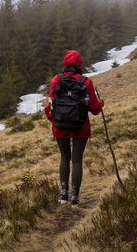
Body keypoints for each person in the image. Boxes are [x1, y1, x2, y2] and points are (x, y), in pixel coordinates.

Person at [44, 50, 104, 207]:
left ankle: (63, 195)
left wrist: (54, 121)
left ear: (65, 63)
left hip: (60, 126)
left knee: (64, 158)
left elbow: (51, 105)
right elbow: (95, 110)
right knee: (77, 160)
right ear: (80, 63)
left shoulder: (55, 80)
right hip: (80, 126)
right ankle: (74, 198)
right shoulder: (86, 81)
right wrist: (100, 103)